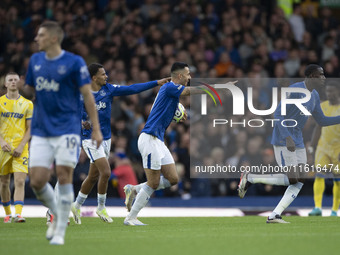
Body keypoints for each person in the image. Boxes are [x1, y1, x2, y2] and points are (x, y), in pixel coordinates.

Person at [123, 62, 237, 225]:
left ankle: (134, 189)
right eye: (188, 74)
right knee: (153, 183)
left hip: (158, 141)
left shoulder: (171, 93)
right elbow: (189, 92)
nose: (190, 77)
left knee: (173, 178)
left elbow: (173, 107)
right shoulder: (170, 87)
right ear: (179, 76)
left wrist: (178, 113)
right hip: (149, 138)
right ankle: (131, 217)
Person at [23, 21, 102, 245]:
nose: (36, 39)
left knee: (64, 176)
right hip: (41, 128)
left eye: (40, 35)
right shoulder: (35, 61)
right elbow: (29, 90)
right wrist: (23, 88)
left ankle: (59, 228)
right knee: (37, 181)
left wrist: (95, 129)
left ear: (54, 38)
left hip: (67, 128)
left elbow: (88, 97)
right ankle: (57, 211)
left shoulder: (74, 63)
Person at [238, 64, 340, 223]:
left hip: (297, 139)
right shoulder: (295, 90)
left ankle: (274, 215)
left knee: (302, 178)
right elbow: (277, 114)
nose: (324, 78)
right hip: (283, 138)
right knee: (293, 178)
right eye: (321, 75)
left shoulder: (314, 96)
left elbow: (322, 120)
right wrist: (287, 137)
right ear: (312, 76)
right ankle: (250, 177)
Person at [70, 63, 170, 224]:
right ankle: (101, 206)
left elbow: (132, 89)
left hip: (106, 138)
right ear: (94, 77)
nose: (106, 76)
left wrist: (156, 82)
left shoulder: (108, 89)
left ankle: (76, 205)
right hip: (89, 139)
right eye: (103, 74)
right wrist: (82, 122)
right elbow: (74, 113)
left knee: (93, 175)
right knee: (106, 172)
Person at [0, 72, 33, 223]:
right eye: (10, 80)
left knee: (20, 181)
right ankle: (7, 213)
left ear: (19, 83)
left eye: (15, 80)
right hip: (3, 147)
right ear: (5, 84)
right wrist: (1, 142)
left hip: (21, 148)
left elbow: (30, 129)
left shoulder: (27, 104)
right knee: (4, 182)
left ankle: (18, 214)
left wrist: (21, 146)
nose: (13, 82)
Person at [308, 81, 340, 217]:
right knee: (319, 174)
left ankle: (334, 210)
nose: (329, 94)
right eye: (327, 91)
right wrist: (312, 146)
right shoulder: (322, 106)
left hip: (338, 148)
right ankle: (317, 208)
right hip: (323, 146)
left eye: (332, 91)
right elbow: (318, 127)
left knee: (337, 178)